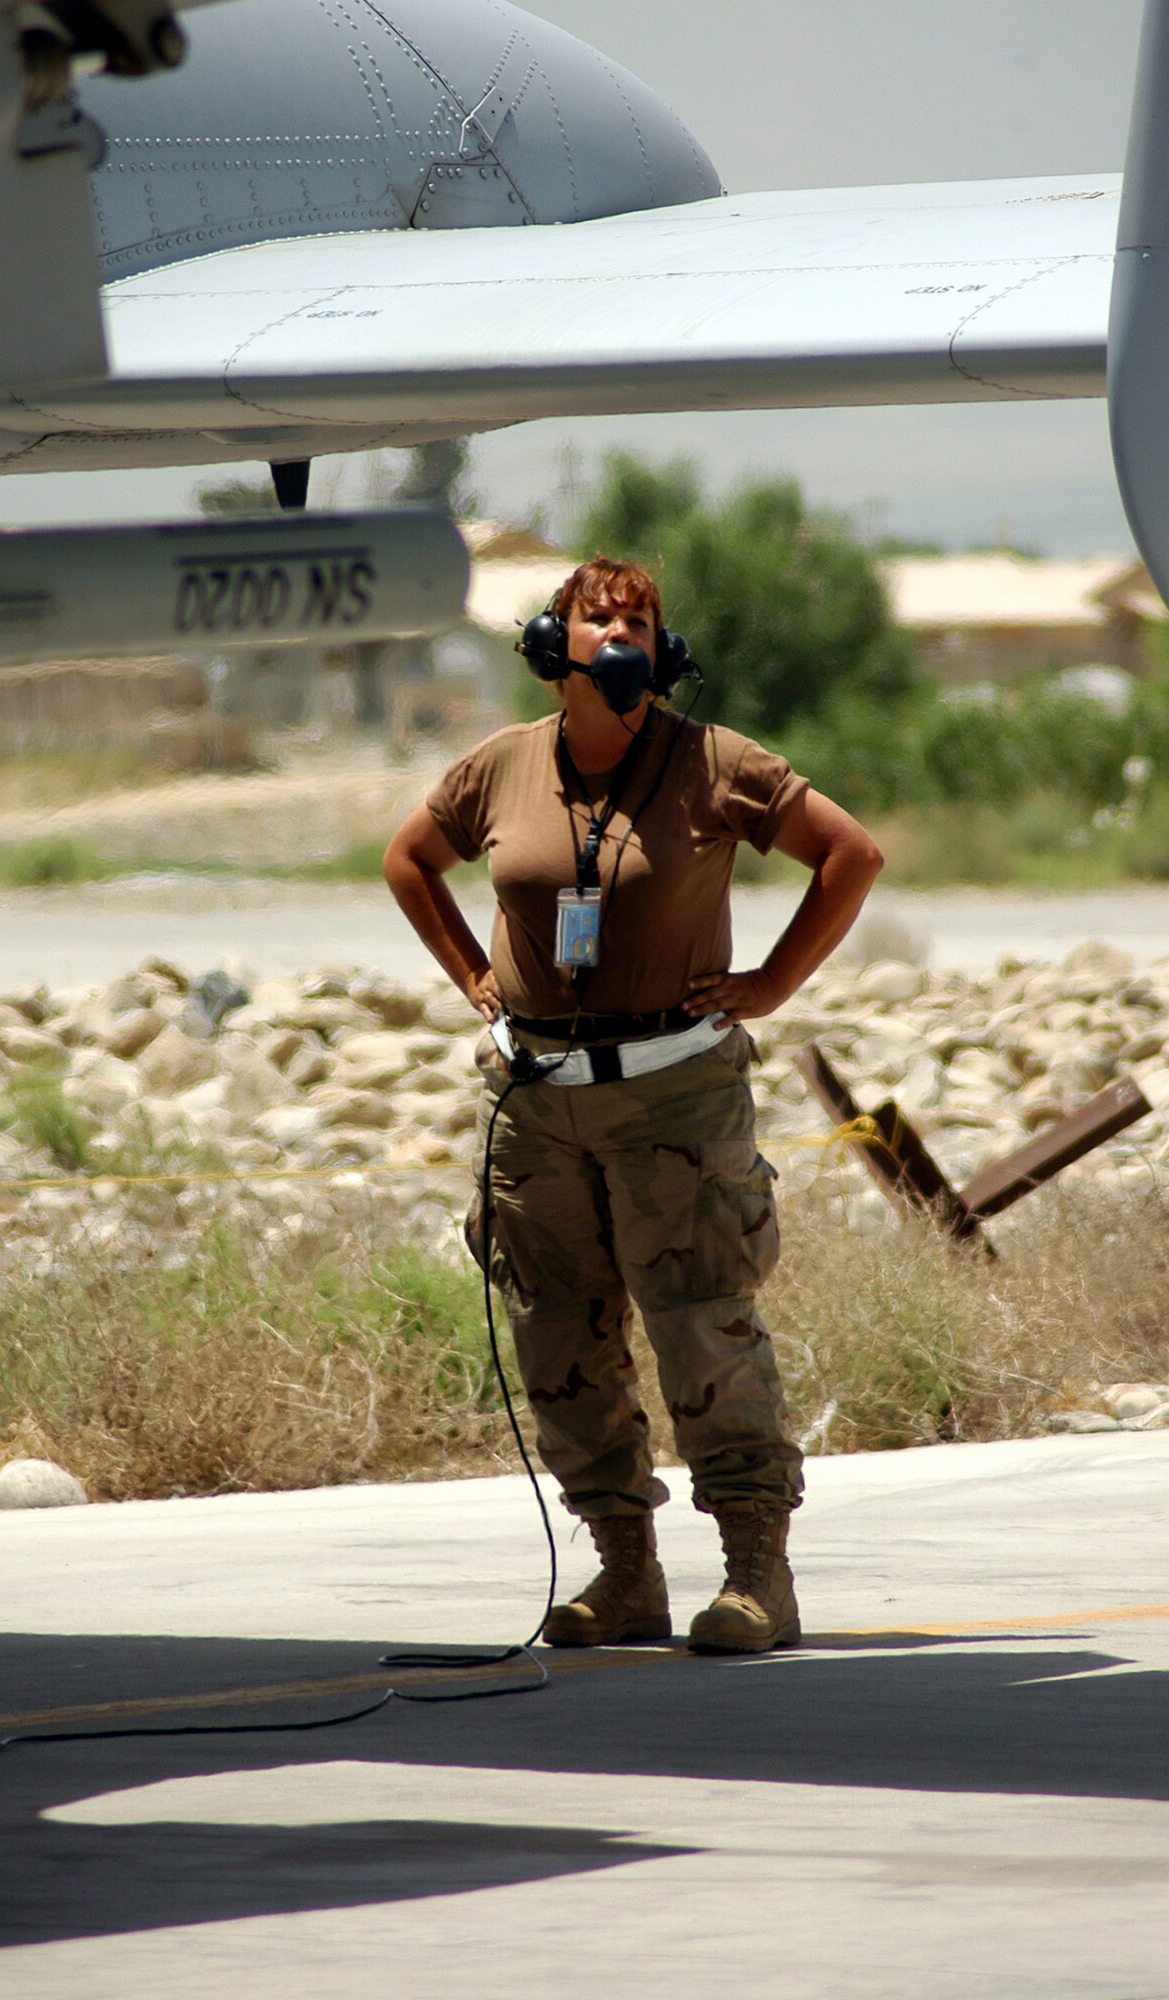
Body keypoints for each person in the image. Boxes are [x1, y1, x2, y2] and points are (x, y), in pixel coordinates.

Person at [383, 556, 882, 1652]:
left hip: (675, 1095)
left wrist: (771, 983)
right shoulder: (502, 766)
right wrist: (475, 976)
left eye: (639, 619)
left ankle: (756, 1572)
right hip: (536, 1101)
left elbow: (848, 853)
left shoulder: (713, 762)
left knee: (702, 1321)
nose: (618, 630)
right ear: (549, 641)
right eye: (596, 614)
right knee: (560, 1333)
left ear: (664, 648)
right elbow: (409, 859)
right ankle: (624, 1572)